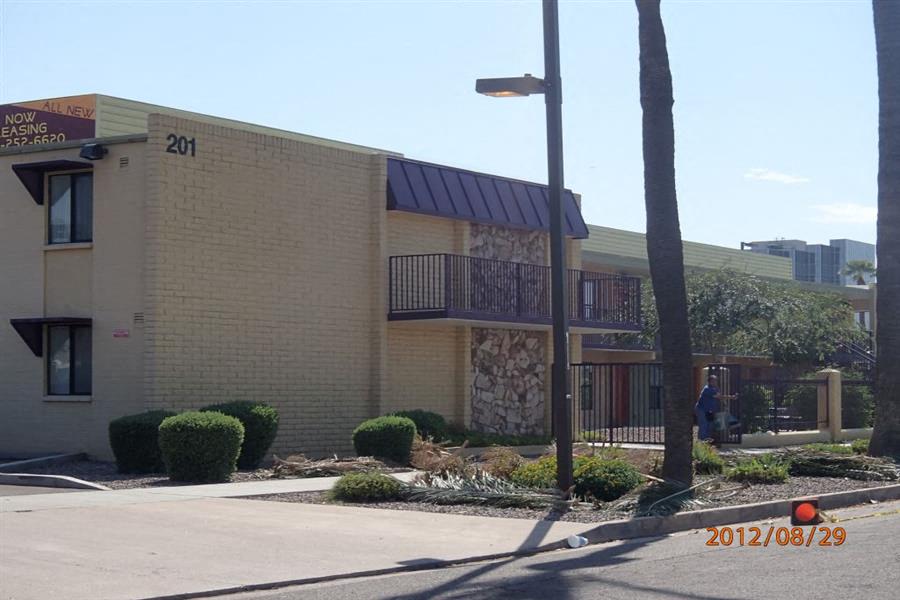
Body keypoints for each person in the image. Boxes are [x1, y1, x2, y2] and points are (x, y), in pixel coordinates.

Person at [695, 375, 733, 442]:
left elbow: (720, 397)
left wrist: (725, 403)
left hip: (709, 410)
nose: (715, 382)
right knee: (704, 425)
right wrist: (731, 397)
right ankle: (701, 441)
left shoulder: (715, 389)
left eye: (716, 381)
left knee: (710, 425)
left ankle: (706, 441)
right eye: (714, 381)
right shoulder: (707, 389)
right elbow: (719, 397)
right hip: (702, 409)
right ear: (710, 382)